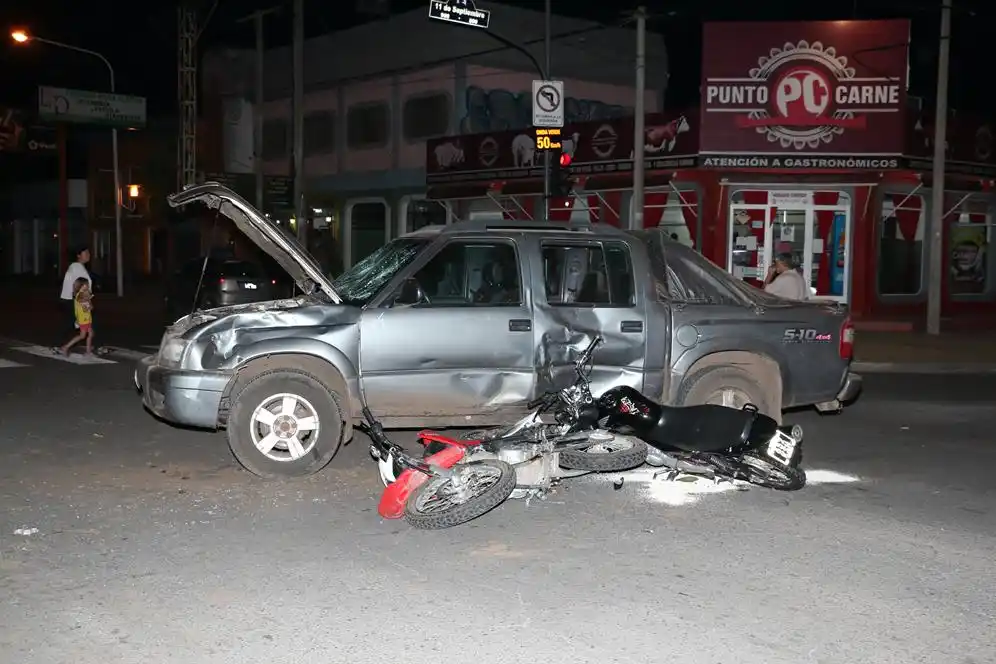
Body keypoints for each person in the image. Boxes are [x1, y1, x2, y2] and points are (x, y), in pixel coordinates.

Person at [60, 247, 92, 333]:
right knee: (72, 324)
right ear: (78, 255)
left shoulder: (78, 267)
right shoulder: (76, 267)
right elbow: (76, 285)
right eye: (85, 253)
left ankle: (62, 345)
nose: (88, 255)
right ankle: (59, 344)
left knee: (80, 325)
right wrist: (83, 302)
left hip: (74, 299)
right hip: (74, 300)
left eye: (88, 253)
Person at [59, 277, 94, 356]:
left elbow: (91, 307)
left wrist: (89, 300)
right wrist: (88, 299)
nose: (88, 287)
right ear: (80, 286)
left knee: (90, 334)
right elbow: (86, 307)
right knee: (82, 336)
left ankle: (88, 352)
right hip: (83, 319)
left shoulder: (84, 295)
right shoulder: (79, 296)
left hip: (87, 319)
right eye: (86, 285)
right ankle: (65, 347)